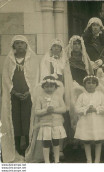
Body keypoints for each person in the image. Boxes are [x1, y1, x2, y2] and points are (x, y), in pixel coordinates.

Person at [1, 35, 40, 163]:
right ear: (13, 46)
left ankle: (28, 149)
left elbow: (36, 77)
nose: (19, 45)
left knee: (28, 119)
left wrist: (29, 92)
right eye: (17, 43)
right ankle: (16, 149)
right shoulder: (9, 60)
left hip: (29, 96)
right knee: (15, 120)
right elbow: (6, 78)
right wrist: (14, 92)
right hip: (14, 97)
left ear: (26, 45)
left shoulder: (32, 59)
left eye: (22, 43)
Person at [74, 75, 104, 163]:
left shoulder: (100, 95)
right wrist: (86, 110)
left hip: (97, 121)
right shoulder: (81, 96)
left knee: (98, 140)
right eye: (88, 83)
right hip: (86, 121)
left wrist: (96, 109)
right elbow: (77, 108)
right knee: (86, 140)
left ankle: (97, 159)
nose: (91, 85)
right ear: (84, 84)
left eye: (93, 83)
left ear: (96, 85)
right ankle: (89, 159)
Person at [34, 76, 67, 163]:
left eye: (51, 86)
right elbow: (36, 112)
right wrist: (45, 111)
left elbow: (64, 109)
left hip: (57, 123)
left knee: (56, 141)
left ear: (55, 87)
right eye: (46, 86)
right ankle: (47, 162)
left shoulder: (58, 97)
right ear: (43, 87)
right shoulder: (40, 98)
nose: (49, 88)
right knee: (46, 142)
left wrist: (54, 110)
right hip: (45, 124)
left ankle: (56, 161)